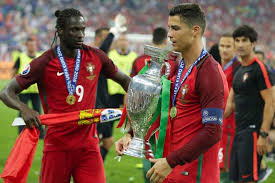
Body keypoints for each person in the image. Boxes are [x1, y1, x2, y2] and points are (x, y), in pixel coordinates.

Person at [0, 8, 130, 183]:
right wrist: (24, 109)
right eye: (74, 30)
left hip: (88, 147)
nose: (81, 35)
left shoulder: (96, 56)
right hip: (56, 147)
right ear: (60, 31)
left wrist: (135, 105)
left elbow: (126, 81)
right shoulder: (44, 62)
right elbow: (6, 92)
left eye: (82, 29)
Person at [116, 3, 229, 183]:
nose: (169, 34)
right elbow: (160, 109)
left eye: (175, 28)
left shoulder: (209, 73)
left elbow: (213, 131)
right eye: (169, 28)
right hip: (170, 169)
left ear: (195, 30)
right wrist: (131, 134)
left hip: (194, 175)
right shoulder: (177, 66)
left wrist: (170, 161)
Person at [225, 25, 274, 183]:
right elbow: (230, 104)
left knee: (248, 180)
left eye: (244, 41)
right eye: (237, 41)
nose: (240, 44)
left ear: (253, 43)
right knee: (237, 179)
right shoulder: (239, 71)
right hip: (238, 132)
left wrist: (263, 135)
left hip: (253, 133)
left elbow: (270, 102)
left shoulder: (260, 68)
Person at [130, 26, 168, 183]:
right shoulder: (173, 62)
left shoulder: (139, 61)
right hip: (165, 118)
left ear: (152, 40)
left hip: (144, 117)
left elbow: (131, 90)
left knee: (149, 161)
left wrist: (130, 122)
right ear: (166, 41)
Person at [94, 14, 127, 161]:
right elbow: (103, 48)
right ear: (98, 39)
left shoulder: (103, 57)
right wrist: (114, 31)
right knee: (97, 143)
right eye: (106, 37)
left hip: (104, 104)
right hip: (97, 106)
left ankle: (92, 172)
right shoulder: (94, 55)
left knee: (107, 142)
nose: (111, 41)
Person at [12, 36, 45, 138]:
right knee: (23, 111)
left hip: (36, 90)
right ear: (26, 46)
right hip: (23, 91)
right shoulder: (21, 57)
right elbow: (14, 72)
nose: (32, 47)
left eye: (34, 45)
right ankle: (21, 133)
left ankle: (40, 134)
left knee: (38, 112)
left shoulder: (40, 56)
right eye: (30, 45)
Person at [218, 33, 240, 183]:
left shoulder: (237, 68)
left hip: (230, 123)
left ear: (235, 48)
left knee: (225, 166)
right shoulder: (220, 67)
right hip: (220, 122)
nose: (224, 49)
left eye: (228, 46)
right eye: (222, 46)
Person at [107, 33, 137, 108]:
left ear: (128, 42)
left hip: (127, 91)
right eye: (121, 40)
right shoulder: (110, 55)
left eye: (125, 40)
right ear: (117, 42)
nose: (123, 42)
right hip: (112, 92)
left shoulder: (134, 57)